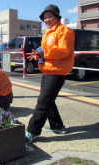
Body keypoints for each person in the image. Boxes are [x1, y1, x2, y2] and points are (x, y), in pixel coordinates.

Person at [24, 4, 75, 144]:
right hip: (46, 71)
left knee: (43, 102)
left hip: (57, 72)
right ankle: (57, 126)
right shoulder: (47, 33)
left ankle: (32, 132)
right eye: (45, 18)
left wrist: (43, 53)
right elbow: (44, 52)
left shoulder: (65, 31)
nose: (47, 20)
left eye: (50, 16)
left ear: (57, 17)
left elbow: (63, 50)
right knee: (48, 100)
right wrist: (37, 56)